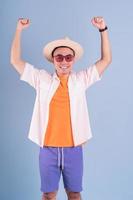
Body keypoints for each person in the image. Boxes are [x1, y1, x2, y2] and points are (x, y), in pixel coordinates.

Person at [10, 17, 112, 200]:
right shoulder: (41, 79)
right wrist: (18, 30)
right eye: (59, 57)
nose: (64, 61)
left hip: (73, 149)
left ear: (73, 60)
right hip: (48, 149)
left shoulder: (81, 80)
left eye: (68, 57)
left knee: (74, 194)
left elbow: (106, 60)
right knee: (48, 195)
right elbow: (15, 61)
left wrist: (103, 30)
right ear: (53, 60)